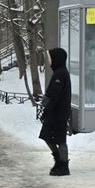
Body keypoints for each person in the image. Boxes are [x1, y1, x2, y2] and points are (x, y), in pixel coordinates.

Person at [40, 47, 72, 176]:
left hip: (58, 113)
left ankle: (63, 164)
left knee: (59, 139)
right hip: (57, 112)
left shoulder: (60, 73)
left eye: (50, 58)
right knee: (48, 136)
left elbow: (54, 94)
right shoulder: (60, 72)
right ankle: (59, 161)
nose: (49, 60)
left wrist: (46, 105)